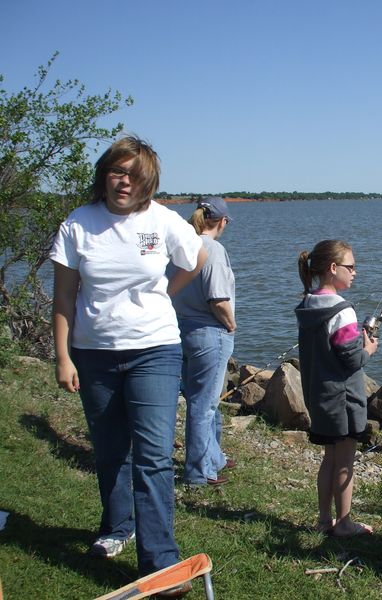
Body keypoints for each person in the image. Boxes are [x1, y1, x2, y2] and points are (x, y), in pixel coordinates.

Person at [51, 135, 207, 598]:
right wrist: (62, 356)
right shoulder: (78, 224)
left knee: (155, 455)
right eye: (118, 172)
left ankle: (159, 560)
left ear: (149, 182)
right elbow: (64, 297)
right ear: (105, 175)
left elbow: (196, 258)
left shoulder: (161, 220)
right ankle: (116, 528)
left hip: (155, 349)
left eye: (135, 175)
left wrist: (164, 292)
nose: (125, 181)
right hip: (93, 354)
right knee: (109, 449)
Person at [295, 240, 379, 537]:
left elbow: (332, 348)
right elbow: (353, 358)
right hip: (342, 399)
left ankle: (323, 520)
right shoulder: (343, 310)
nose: (355, 272)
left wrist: (357, 339)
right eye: (351, 267)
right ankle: (343, 523)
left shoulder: (309, 304)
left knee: (329, 458)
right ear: (333, 268)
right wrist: (368, 347)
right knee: (344, 461)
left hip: (319, 396)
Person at [171, 197, 236, 486]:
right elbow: (218, 298)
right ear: (222, 222)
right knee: (204, 405)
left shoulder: (179, 247)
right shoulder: (213, 249)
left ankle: (215, 457)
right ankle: (198, 472)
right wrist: (231, 325)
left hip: (180, 329)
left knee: (205, 401)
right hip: (209, 333)